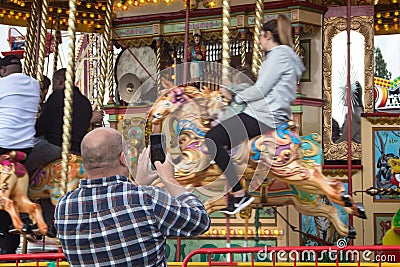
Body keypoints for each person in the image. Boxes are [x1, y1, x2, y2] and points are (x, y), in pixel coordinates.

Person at [54, 128, 210, 266]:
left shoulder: (64, 207)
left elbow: (114, 212)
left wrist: (138, 185)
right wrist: (169, 179)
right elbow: (200, 221)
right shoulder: (147, 199)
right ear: (123, 158)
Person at [204, 14, 305, 215]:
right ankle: (234, 191)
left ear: (268, 35)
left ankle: (239, 193)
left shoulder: (278, 55)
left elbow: (260, 89)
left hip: (262, 115)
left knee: (212, 139)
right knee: (226, 142)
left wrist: (234, 96)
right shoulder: (287, 56)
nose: (259, 42)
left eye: (260, 37)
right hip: (272, 114)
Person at [0, 55, 40, 254]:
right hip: (25, 148)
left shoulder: (2, 85)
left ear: (3, 70)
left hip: (3, 144)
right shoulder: (33, 84)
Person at [24, 68, 93, 176]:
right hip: (77, 149)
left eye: (54, 82)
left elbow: (41, 126)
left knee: (21, 166)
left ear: (60, 80)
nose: (53, 87)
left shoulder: (57, 96)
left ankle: (24, 191)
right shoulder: (85, 102)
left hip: (55, 146)